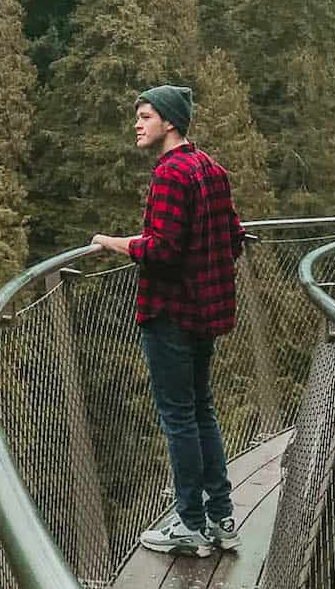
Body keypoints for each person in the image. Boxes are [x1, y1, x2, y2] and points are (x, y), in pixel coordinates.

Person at [91, 85, 246, 558]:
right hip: (204, 314)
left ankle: (190, 525)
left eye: (145, 116)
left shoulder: (169, 176)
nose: (137, 124)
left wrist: (114, 242)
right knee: (202, 410)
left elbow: (161, 249)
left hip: (170, 314)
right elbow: (233, 239)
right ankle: (221, 518)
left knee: (179, 417)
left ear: (170, 122)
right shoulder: (211, 170)